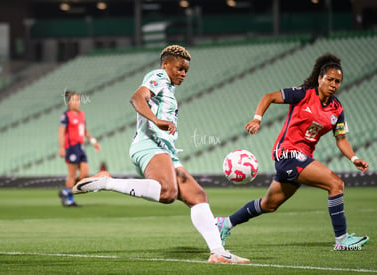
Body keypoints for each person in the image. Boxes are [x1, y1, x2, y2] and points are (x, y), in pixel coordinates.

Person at [72, 45, 249, 264]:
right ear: (165, 64)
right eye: (179, 68)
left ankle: (218, 253)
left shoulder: (169, 89)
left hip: (165, 150)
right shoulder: (158, 77)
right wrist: (156, 121)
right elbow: (137, 98)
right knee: (167, 193)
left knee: (197, 196)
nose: (183, 73)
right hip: (149, 145)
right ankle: (106, 182)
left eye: (186, 70)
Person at [216, 53, 369, 251]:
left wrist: (354, 158)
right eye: (330, 79)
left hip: (303, 158)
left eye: (337, 81)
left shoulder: (337, 109)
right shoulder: (304, 94)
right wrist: (257, 119)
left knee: (268, 204)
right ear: (320, 79)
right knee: (336, 184)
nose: (333, 84)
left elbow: (341, 139)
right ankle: (342, 240)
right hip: (288, 153)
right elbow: (269, 97)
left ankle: (224, 224)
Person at [58, 90, 101, 207]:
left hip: (80, 148)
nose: (77, 102)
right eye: (74, 100)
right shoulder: (66, 115)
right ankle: (69, 200)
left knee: (85, 175)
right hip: (71, 147)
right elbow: (61, 132)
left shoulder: (81, 114)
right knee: (72, 175)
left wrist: (93, 142)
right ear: (68, 102)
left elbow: (85, 131)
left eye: (78, 100)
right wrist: (61, 148)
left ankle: (65, 191)